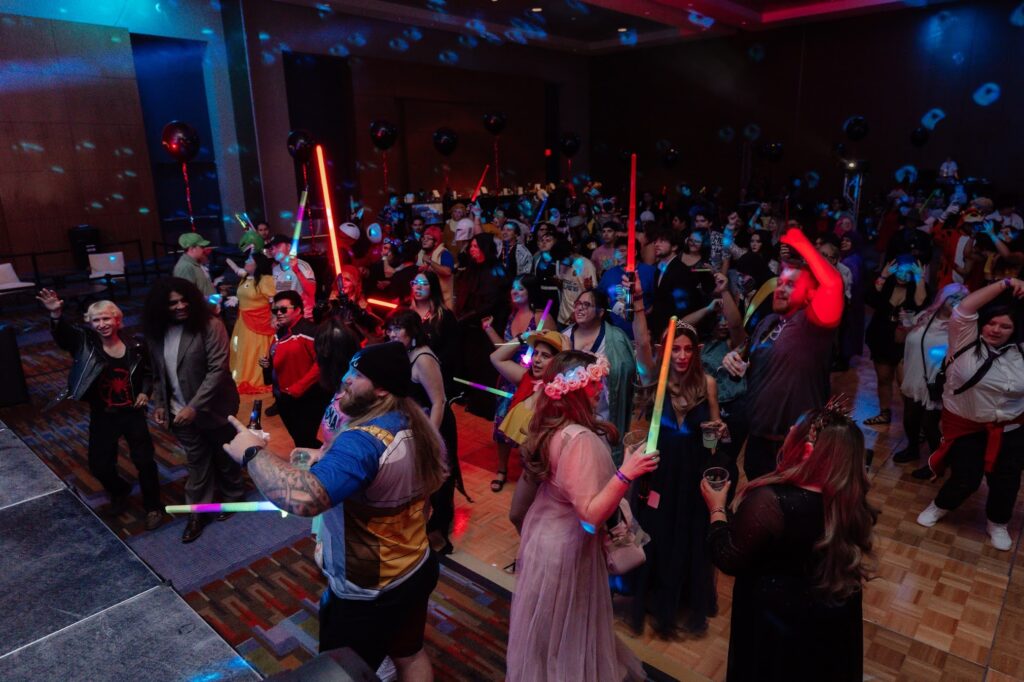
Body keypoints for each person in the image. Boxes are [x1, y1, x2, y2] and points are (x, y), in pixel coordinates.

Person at [220, 341, 447, 679]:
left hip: (370, 590)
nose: (346, 379)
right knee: (409, 654)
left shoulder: (363, 441)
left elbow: (303, 499)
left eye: (358, 373)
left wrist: (252, 453)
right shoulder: (415, 422)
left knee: (340, 672)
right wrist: (323, 458)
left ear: (383, 388)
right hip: (416, 566)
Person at [507, 351, 657, 682]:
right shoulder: (580, 440)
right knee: (569, 631)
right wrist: (627, 474)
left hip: (543, 539)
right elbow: (590, 515)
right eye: (594, 381)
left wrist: (622, 465)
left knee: (548, 633)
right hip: (567, 550)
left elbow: (572, 486)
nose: (602, 387)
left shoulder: (555, 429)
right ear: (574, 389)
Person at [701, 403, 877, 681]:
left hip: (776, 625)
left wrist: (716, 509)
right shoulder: (851, 502)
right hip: (829, 623)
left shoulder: (771, 503)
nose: (788, 434)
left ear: (807, 451)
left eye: (794, 432)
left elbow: (727, 556)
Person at [629, 312, 726, 636]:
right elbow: (642, 343)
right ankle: (655, 592)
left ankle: (683, 595)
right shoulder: (659, 385)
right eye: (676, 350)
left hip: (693, 472)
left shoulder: (708, 384)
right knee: (658, 531)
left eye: (688, 350)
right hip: (662, 473)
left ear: (696, 351)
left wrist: (717, 433)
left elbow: (712, 443)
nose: (682, 356)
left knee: (688, 534)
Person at [722, 227, 845, 480]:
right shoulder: (767, 322)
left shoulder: (814, 324)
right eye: (780, 282)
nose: (781, 288)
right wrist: (733, 358)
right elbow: (746, 356)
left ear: (810, 293)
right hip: (758, 439)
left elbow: (833, 284)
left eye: (791, 284)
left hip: (794, 443)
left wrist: (802, 242)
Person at [38, 291, 163, 529]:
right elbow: (64, 337)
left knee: (145, 462)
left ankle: (153, 506)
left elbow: (148, 372)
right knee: (99, 465)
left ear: (117, 320)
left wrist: (146, 392)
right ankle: (120, 490)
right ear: (90, 323)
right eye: (96, 320)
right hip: (103, 414)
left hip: (133, 414)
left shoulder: (135, 344)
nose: (102, 324)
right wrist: (55, 313)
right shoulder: (85, 342)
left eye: (106, 319)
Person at [916, 277, 1024, 550]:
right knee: (966, 477)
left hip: (1009, 428)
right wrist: (1006, 283)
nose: (996, 330)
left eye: (1005, 326)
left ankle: (997, 523)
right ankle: (940, 505)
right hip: (967, 425)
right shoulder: (964, 338)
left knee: (1006, 480)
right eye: (991, 323)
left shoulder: (1021, 352)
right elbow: (965, 308)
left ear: (1016, 330)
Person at [144, 278, 245, 543]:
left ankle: (234, 495)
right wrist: (161, 405)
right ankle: (197, 513)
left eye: (183, 300)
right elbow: (158, 374)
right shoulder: (157, 332)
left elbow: (217, 371)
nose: (179, 307)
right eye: (172, 303)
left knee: (224, 455)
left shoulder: (210, 325)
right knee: (197, 461)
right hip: (179, 412)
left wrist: (194, 407)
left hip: (214, 407)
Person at [386, 309, 463, 555]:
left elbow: (439, 402)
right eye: (390, 328)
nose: (391, 333)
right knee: (420, 483)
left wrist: (430, 437)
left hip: (435, 425)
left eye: (397, 329)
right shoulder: (403, 353)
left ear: (412, 331)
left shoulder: (423, 358)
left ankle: (435, 536)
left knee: (435, 483)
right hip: (417, 424)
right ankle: (417, 532)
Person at [482, 275, 557, 491]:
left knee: (530, 425)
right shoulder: (512, 315)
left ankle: (530, 470)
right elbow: (503, 348)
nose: (515, 292)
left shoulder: (542, 317)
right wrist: (488, 329)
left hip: (532, 379)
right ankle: (502, 469)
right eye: (513, 288)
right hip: (507, 378)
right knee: (502, 424)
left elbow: (554, 351)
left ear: (530, 292)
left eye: (520, 288)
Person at [892, 283, 967, 465]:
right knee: (910, 419)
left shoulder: (961, 327)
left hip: (936, 382)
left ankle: (936, 462)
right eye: (954, 296)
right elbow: (899, 340)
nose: (957, 302)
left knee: (929, 425)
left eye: (962, 299)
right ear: (943, 297)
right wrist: (903, 325)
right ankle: (912, 450)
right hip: (914, 376)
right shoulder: (924, 317)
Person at [560, 288, 636, 462]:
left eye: (587, 305)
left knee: (598, 459)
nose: (579, 308)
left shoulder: (615, 339)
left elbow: (626, 372)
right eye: (578, 304)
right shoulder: (564, 336)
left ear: (601, 312)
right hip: (569, 414)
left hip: (602, 414)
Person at [863, 255, 929, 426]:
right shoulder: (887, 283)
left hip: (905, 343)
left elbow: (921, 303)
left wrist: (920, 278)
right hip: (881, 338)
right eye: (900, 271)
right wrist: (883, 275)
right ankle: (884, 414)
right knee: (883, 378)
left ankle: (913, 423)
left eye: (908, 273)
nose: (903, 276)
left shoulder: (918, 286)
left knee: (905, 385)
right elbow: (870, 299)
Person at [265, 291, 329, 449]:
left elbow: (321, 363)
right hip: (285, 395)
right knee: (300, 439)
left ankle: (324, 466)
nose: (278, 313)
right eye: (275, 310)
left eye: (283, 309)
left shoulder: (309, 331)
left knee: (304, 439)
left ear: (299, 310)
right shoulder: (282, 331)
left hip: (306, 397)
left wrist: (298, 388)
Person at [230, 249, 276, 394]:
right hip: (243, 322)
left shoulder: (265, 280)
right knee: (243, 350)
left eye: (249, 261)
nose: (245, 262)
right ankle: (243, 377)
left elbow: (273, 300)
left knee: (257, 350)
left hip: (260, 322)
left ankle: (258, 378)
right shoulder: (245, 278)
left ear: (257, 264)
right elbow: (236, 269)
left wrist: (274, 318)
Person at [409, 270, 460, 391]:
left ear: (433, 287)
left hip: (434, 376)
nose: (418, 286)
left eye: (424, 283)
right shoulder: (406, 314)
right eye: (415, 283)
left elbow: (452, 349)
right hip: (408, 376)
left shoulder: (444, 316)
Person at [268, 235, 317, 320]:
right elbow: (274, 297)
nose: (274, 250)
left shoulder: (302, 265)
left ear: (288, 246)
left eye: (278, 246)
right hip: (284, 319)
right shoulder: (274, 270)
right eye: (272, 248)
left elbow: (312, 291)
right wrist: (274, 317)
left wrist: (297, 271)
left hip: (303, 317)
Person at [417, 226, 455, 309]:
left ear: (436, 242)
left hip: (443, 302)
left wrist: (430, 262)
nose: (425, 240)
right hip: (427, 301)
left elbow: (448, 272)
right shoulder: (421, 254)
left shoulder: (444, 254)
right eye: (424, 237)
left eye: (429, 238)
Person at [173, 232, 215, 299]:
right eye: (201, 247)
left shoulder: (195, 264)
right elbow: (186, 294)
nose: (204, 249)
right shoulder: (185, 267)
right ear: (192, 249)